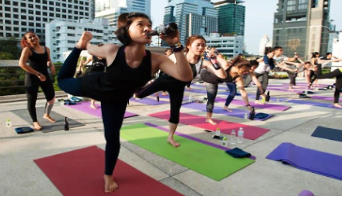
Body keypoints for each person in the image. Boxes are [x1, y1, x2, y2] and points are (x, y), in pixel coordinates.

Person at [57, 12, 193, 193]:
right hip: (95, 86)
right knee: (62, 81)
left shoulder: (156, 59)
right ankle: (81, 51)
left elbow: (185, 76)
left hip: (117, 100)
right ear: (127, 31)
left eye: (149, 25)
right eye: (140, 24)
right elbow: (91, 50)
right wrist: (85, 45)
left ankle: (108, 175)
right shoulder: (112, 50)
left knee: (112, 138)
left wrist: (176, 45)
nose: (147, 28)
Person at [135, 35, 228, 147]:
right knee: (138, 95)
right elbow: (161, 66)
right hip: (164, 81)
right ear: (189, 46)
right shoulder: (178, 55)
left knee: (175, 112)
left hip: (178, 88)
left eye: (203, 45)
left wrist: (214, 60)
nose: (201, 47)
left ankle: (170, 137)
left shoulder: (203, 62)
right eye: (197, 45)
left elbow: (222, 75)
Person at [200, 56, 256, 125]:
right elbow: (216, 57)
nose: (245, 73)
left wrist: (248, 105)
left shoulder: (238, 77)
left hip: (213, 82)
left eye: (247, 71)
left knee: (211, 99)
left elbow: (242, 91)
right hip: (205, 75)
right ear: (240, 67)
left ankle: (208, 118)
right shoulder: (225, 65)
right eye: (245, 70)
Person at [18, 31, 56, 130]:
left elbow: (48, 60)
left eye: (34, 36)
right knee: (32, 100)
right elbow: (22, 64)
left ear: (37, 36)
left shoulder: (46, 49)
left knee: (51, 97)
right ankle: (35, 121)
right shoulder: (27, 50)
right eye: (30, 37)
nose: (33, 38)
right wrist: (38, 74)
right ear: (26, 40)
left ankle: (46, 115)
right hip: (32, 77)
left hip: (45, 76)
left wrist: (51, 65)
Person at [82, 44, 108, 109]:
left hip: (99, 75)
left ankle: (92, 103)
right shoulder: (93, 56)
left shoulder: (106, 58)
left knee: (97, 89)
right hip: (90, 73)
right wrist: (83, 63)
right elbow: (86, 63)